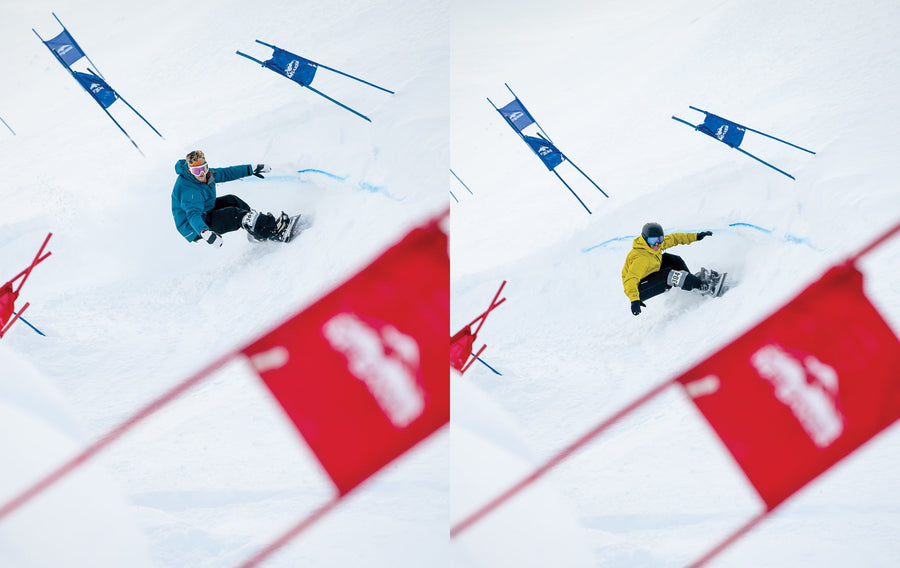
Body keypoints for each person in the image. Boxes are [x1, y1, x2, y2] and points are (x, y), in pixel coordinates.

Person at [171, 150, 292, 247]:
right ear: (189, 170)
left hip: (204, 210)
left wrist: (251, 169)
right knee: (234, 215)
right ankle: (274, 231)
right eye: (196, 171)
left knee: (233, 200)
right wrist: (205, 233)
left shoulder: (207, 175)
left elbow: (227, 173)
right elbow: (193, 215)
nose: (201, 174)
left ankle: (258, 229)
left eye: (203, 168)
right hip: (194, 227)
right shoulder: (189, 191)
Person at [621, 222, 715, 316]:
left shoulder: (653, 245)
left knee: (673, 260)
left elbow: (674, 238)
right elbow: (630, 280)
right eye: (653, 240)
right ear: (645, 239)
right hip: (638, 290)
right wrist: (634, 300)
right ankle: (702, 286)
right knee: (668, 275)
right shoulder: (641, 258)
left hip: (649, 272)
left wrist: (696, 236)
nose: (657, 244)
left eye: (659, 239)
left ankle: (691, 282)